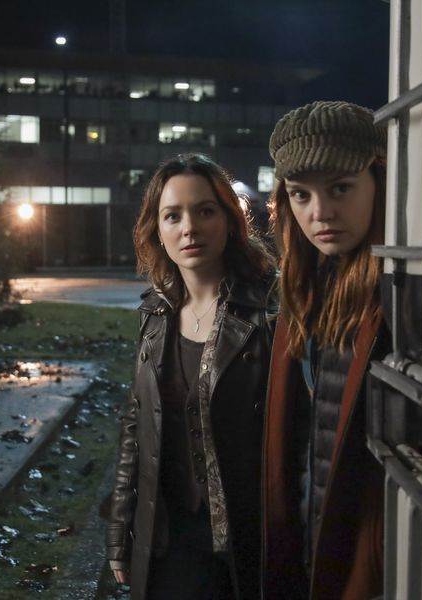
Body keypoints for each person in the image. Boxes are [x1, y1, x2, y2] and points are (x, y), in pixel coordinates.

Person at [106, 153, 276, 599]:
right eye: (173, 215)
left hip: (245, 536)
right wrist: (120, 530)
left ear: (229, 221)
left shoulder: (269, 310)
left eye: (205, 211)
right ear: (157, 230)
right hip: (170, 537)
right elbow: (136, 425)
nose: (190, 228)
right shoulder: (155, 314)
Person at [260, 101, 389, 599]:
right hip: (309, 536)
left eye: (340, 188)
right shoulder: (304, 288)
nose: (320, 213)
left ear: (378, 180)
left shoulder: (398, 294)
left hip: (364, 555)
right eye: (301, 194)